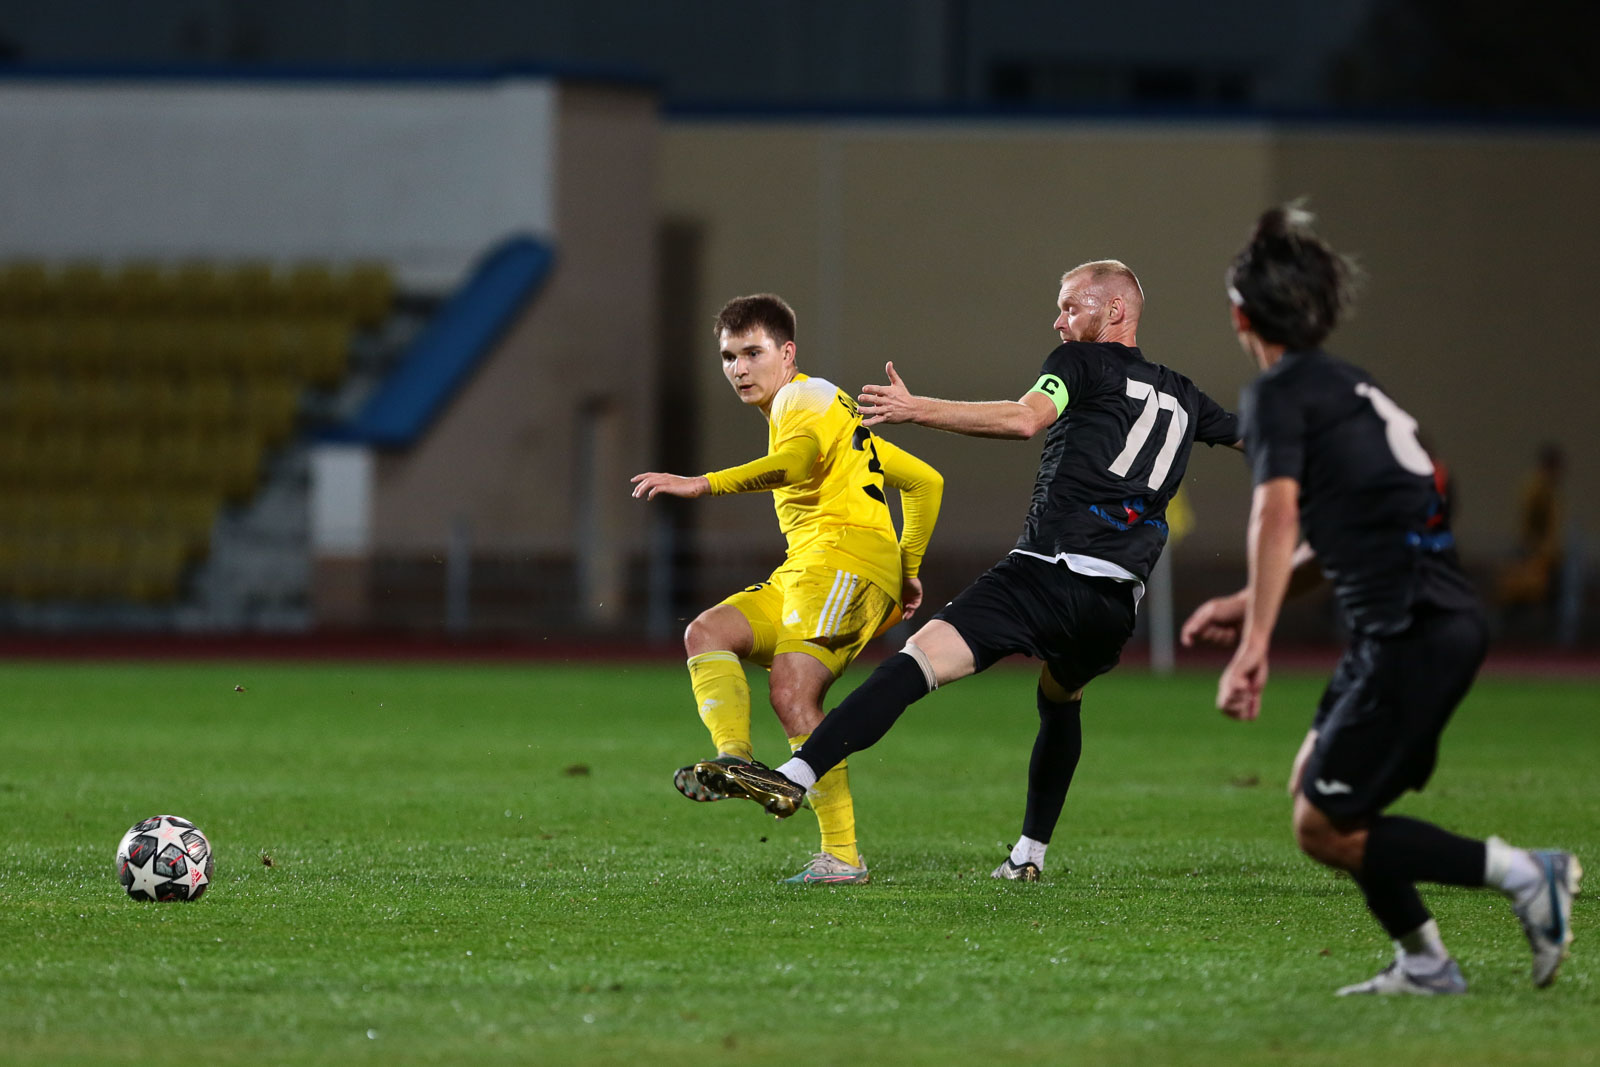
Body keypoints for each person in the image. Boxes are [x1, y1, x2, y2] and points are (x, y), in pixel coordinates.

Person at [697, 261, 1240, 881]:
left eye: (1071, 306)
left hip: (1047, 571)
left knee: (913, 665)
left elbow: (1025, 418)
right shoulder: (1185, 395)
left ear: (1115, 311)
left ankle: (794, 775)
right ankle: (1027, 856)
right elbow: (1257, 439)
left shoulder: (1080, 362)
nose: (1059, 320)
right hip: (1115, 603)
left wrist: (916, 408)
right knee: (1060, 699)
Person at [1181, 205, 1581, 995]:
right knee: (1314, 787)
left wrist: (1255, 643)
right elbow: (1361, 524)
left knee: (1323, 826)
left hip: (1411, 630)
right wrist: (1248, 598)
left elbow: (1277, 514)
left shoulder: (1277, 394)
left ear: (1240, 315)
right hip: (1418, 620)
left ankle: (1525, 873)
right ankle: (1426, 963)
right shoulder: (1354, 387)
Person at [631, 293, 943, 885]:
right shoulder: (826, 412)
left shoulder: (805, 397)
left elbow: (796, 465)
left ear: (788, 353)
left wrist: (702, 484)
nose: (739, 368)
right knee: (708, 633)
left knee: (793, 690)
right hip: (811, 568)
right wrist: (907, 568)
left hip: (843, 562)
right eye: (728, 357)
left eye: (753, 353)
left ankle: (842, 857)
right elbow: (926, 481)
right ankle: (736, 760)